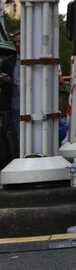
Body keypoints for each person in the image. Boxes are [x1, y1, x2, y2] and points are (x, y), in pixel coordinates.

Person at [0, 32, 17, 169]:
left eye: (20, 41)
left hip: (25, 107)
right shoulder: (9, 62)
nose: (18, 44)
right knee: (11, 139)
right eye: (16, 42)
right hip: (12, 107)